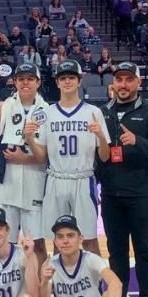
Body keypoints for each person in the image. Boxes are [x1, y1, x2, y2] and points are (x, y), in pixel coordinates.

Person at [97, 62, 148, 297]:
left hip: (141, 193)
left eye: (129, 79)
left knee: (143, 250)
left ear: (138, 83)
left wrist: (137, 141)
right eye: (119, 80)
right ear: (113, 84)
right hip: (111, 193)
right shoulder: (102, 112)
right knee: (116, 251)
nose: (123, 85)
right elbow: (98, 154)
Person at [23, 60, 110, 255]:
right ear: (57, 82)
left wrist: (101, 137)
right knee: (57, 241)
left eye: (72, 77)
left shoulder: (94, 112)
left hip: (83, 179)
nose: (67, 81)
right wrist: (29, 138)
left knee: (88, 240)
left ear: (79, 81)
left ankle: (95, 285)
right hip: (56, 179)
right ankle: (59, 284)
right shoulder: (47, 113)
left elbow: (105, 157)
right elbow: (41, 157)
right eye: (63, 78)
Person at [0, 64, 48, 262]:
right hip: (7, 182)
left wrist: (23, 158)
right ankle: (11, 288)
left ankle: (40, 289)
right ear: (15, 81)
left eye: (30, 79)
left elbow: (46, 155)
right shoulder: (4, 105)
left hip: (34, 181)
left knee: (37, 244)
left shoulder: (48, 110)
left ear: (38, 82)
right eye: (21, 79)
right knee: (5, 243)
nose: (25, 82)